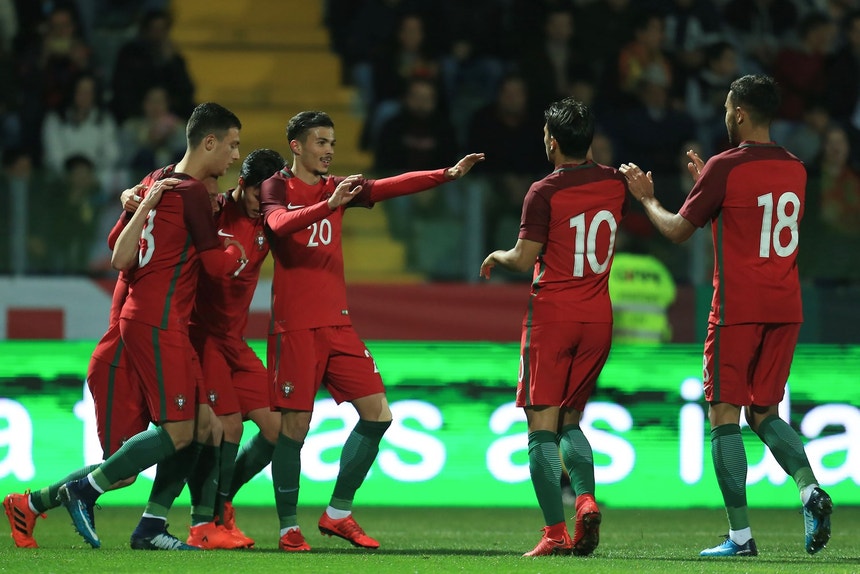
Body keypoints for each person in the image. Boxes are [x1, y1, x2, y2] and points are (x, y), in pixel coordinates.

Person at [619, 74, 833, 557]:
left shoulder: (725, 165)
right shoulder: (797, 169)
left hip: (737, 308)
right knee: (764, 413)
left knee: (723, 416)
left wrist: (647, 198)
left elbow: (676, 230)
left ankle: (740, 537)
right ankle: (809, 491)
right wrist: (708, 187)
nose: (724, 116)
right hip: (785, 306)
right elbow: (751, 213)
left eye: (726, 108)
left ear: (738, 112)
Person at [259, 110, 483, 552]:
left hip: (337, 324)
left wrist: (446, 174)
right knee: (294, 429)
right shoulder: (276, 186)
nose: (327, 151)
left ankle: (338, 513)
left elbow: (387, 186)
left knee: (379, 413)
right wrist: (331, 204)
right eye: (320, 142)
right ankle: (288, 528)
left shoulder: (335, 186)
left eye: (332, 143)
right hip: (295, 327)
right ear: (297, 146)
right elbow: (277, 225)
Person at [56, 102, 249, 550]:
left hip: (150, 316)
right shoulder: (192, 195)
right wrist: (237, 250)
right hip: (159, 320)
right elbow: (216, 265)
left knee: (200, 425)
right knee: (179, 431)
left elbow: (115, 245)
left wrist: (133, 202)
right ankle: (84, 491)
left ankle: (150, 527)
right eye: (233, 145)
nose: (235, 156)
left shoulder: (157, 179)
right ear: (209, 142)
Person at [479, 97, 626, 557]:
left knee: (541, 429)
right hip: (598, 317)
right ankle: (584, 500)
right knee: (571, 422)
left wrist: (496, 256)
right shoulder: (615, 183)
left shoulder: (543, 191)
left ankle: (554, 533)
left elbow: (523, 258)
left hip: (553, 317)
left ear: (553, 141)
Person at [185, 148, 287, 549]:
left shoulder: (272, 217)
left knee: (280, 430)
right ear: (240, 184)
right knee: (226, 426)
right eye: (256, 197)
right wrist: (131, 197)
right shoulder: (211, 210)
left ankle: (221, 499)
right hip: (202, 335)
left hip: (235, 341)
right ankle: (211, 522)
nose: (263, 207)